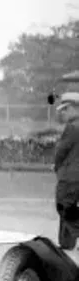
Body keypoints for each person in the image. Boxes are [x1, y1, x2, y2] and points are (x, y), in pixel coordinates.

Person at [53, 91, 79, 252]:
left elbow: (61, 151)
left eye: (66, 109)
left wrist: (56, 167)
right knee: (69, 208)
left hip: (71, 176)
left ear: (76, 108)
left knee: (64, 206)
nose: (63, 112)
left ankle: (67, 243)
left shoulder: (72, 127)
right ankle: (66, 243)